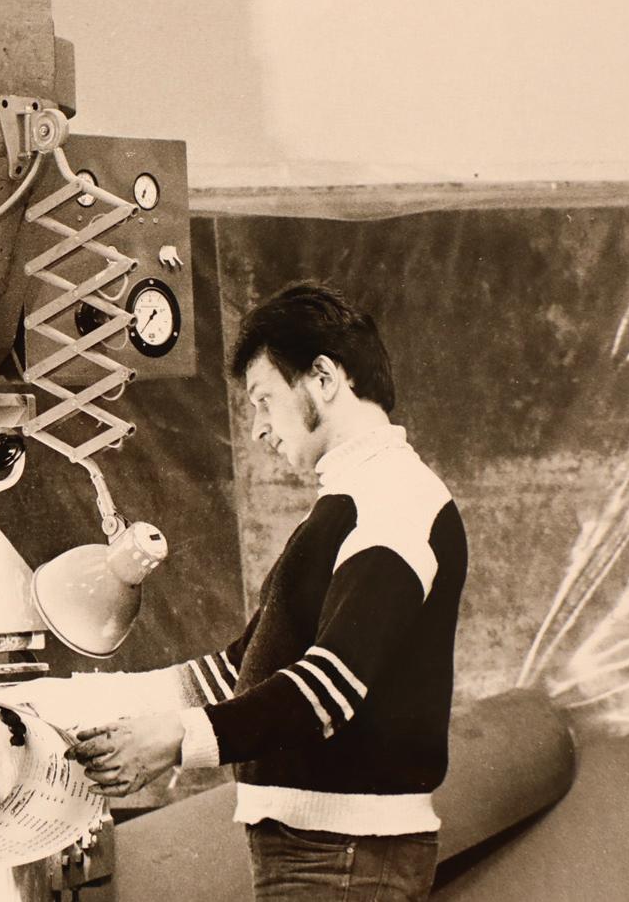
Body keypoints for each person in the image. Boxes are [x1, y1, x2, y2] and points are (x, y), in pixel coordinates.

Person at [64, 282, 468, 901]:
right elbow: (236, 671)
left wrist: (178, 739)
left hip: (342, 858)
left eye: (263, 401)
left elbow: (330, 687)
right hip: (323, 853)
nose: (257, 429)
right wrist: (69, 702)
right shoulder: (348, 502)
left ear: (324, 378)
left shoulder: (395, 499)